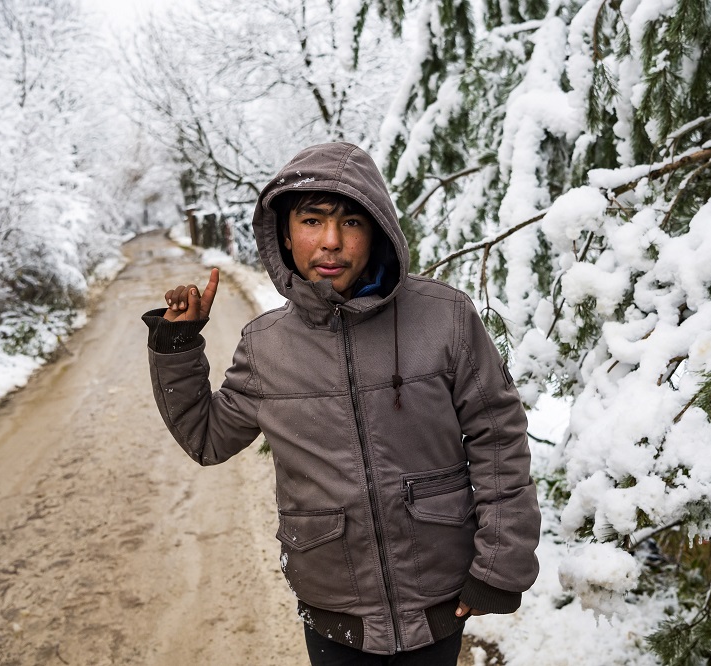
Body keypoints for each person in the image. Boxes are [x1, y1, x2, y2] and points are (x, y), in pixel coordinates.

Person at [142, 142, 541, 664]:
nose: (331, 242)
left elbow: (499, 438)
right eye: (311, 220)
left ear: (376, 230)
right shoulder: (265, 346)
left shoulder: (445, 317)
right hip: (335, 609)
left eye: (352, 222)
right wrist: (178, 344)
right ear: (285, 233)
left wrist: (497, 567)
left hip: (439, 599)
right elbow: (207, 439)